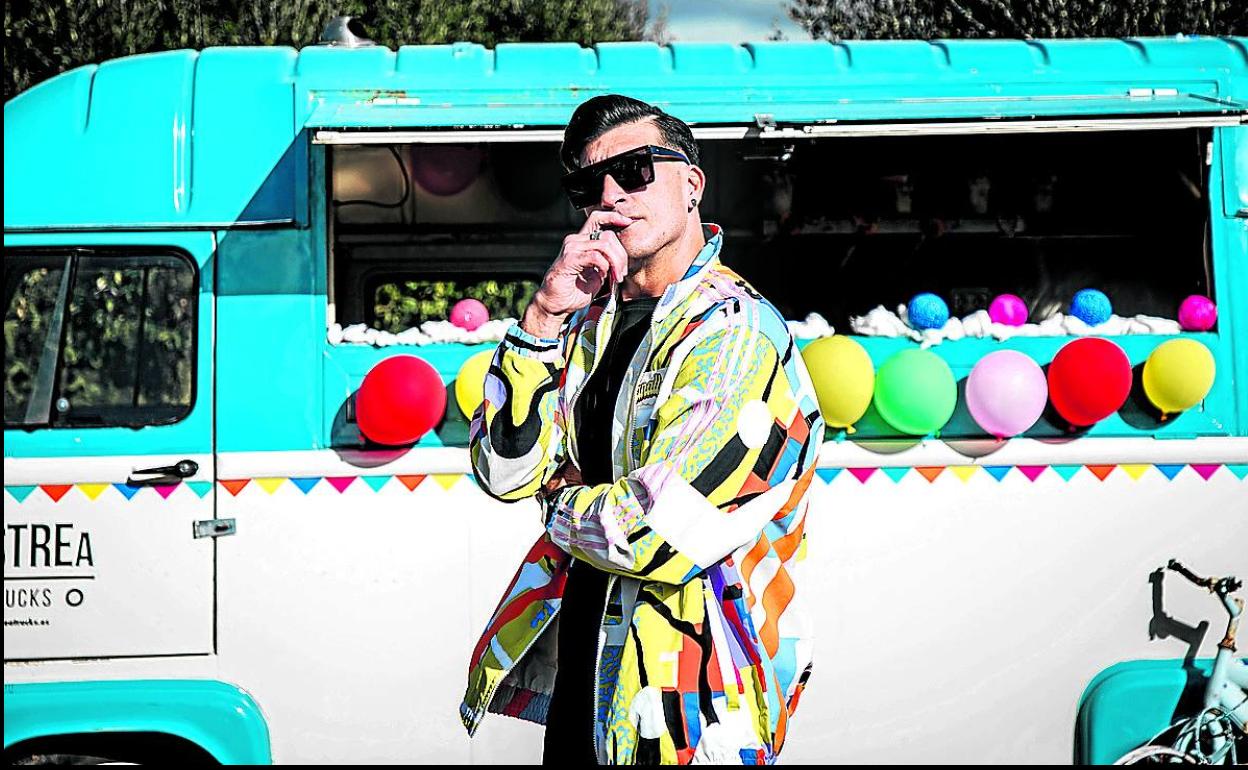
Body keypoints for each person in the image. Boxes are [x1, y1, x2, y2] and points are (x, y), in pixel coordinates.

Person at [459, 94, 824, 765]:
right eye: (587, 185)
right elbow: (502, 471)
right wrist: (542, 316)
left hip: (693, 713)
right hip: (591, 698)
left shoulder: (737, 333)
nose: (608, 197)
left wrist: (560, 501)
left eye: (633, 171)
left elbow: (660, 531)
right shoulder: (583, 323)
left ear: (692, 184)